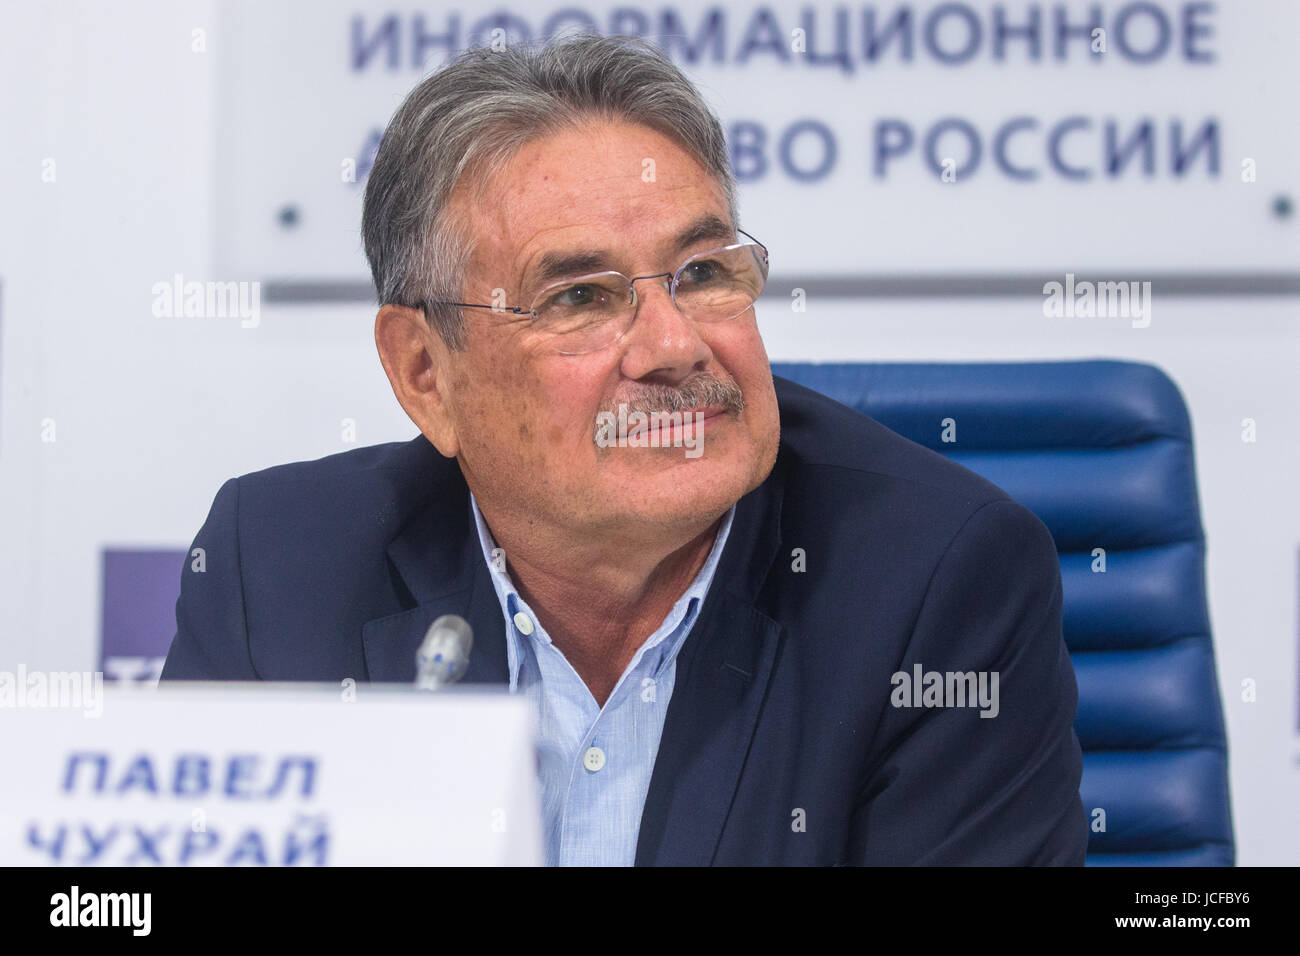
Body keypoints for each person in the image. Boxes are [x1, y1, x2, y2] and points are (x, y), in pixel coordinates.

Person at [163, 33, 1087, 866]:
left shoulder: (937, 579)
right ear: (425, 375)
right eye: (580, 297)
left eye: (703, 275)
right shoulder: (275, 566)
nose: (675, 347)